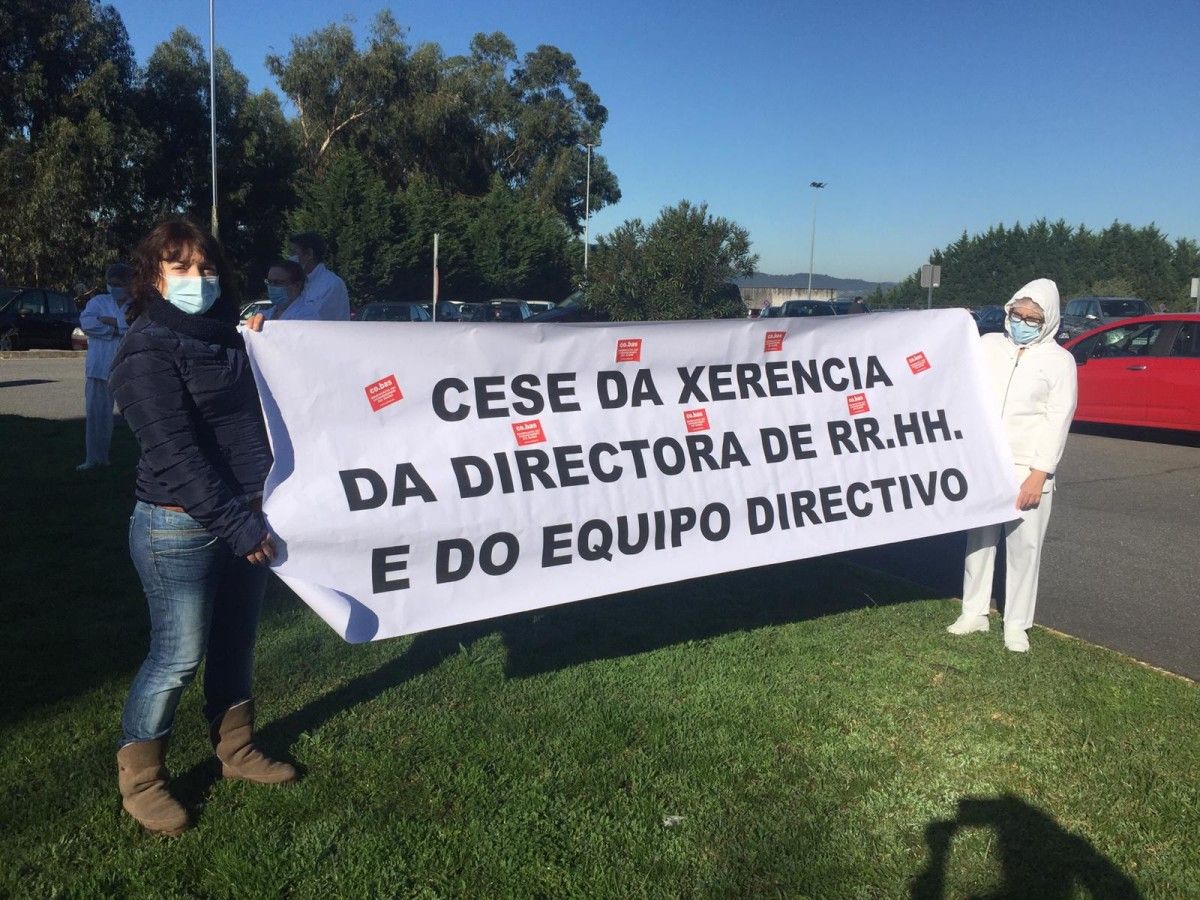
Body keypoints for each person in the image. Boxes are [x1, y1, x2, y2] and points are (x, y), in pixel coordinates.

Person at [108, 219, 295, 837]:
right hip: (178, 528)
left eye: (206, 267)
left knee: (236, 642)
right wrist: (239, 527)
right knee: (177, 654)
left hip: (248, 517)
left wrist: (269, 345)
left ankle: (237, 750)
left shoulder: (228, 338)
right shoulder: (146, 348)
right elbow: (176, 456)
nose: (197, 279)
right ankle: (142, 780)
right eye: (181, 267)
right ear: (154, 276)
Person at [947, 278, 1078, 652]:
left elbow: (1058, 418)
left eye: (1032, 318)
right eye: (1016, 314)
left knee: (1024, 548)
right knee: (979, 541)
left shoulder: (1059, 362)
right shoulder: (989, 346)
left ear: (1048, 320)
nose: (1021, 322)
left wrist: (1040, 474)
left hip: (1028, 468)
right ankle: (974, 612)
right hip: (985, 461)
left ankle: (1016, 623)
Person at [76, 264, 133, 469]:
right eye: (111, 284)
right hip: (99, 367)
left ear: (129, 283)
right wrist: (117, 326)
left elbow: (134, 326)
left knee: (141, 415)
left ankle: (149, 460)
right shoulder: (98, 301)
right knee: (96, 415)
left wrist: (113, 322)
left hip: (129, 369)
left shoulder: (137, 304)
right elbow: (88, 324)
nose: (114, 288)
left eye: (119, 284)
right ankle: (95, 458)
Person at [275, 231, 351, 320]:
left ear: (309, 254)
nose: (290, 258)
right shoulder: (302, 282)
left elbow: (309, 319)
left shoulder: (331, 284)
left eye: (295, 253)